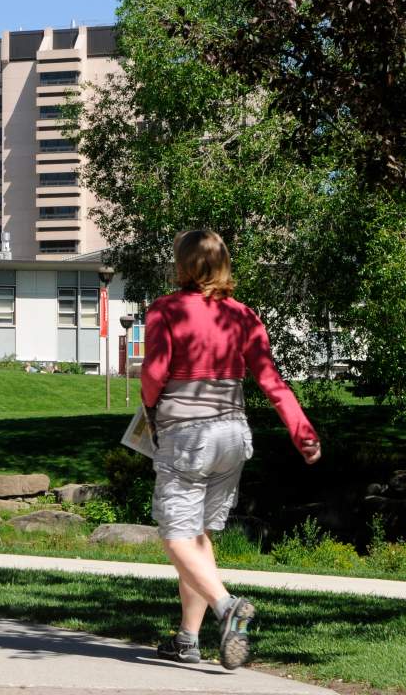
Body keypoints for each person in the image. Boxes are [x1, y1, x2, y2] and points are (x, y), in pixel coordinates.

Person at [142, 230, 321, 670]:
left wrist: (150, 407)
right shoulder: (243, 316)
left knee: (174, 533)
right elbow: (271, 382)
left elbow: (154, 372)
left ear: (182, 265)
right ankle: (187, 638)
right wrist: (303, 433)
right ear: (224, 266)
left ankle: (227, 608)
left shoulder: (165, 310)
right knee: (199, 535)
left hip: (188, 435)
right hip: (233, 435)